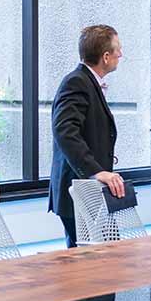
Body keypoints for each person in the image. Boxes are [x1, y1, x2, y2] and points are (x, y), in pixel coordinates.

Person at [49, 24, 125, 248]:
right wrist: (96, 171)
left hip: (89, 191)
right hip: (78, 188)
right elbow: (65, 131)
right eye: (118, 49)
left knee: (97, 259)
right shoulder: (76, 82)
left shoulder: (87, 82)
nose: (121, 54)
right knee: (96, 260)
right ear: (105, 56)